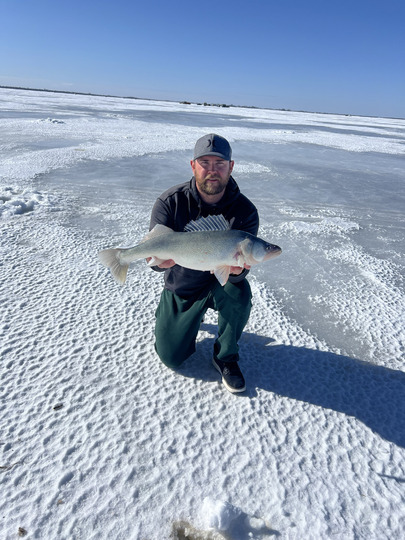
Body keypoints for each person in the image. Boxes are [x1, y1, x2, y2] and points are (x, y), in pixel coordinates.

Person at [148, 134, 259, 393]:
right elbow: (154, 253)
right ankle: (176, 319)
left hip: (219, 285)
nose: (212, 171)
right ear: (193, 165)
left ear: (231, 167)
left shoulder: (246, 212)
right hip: (182, 285)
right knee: (170, 357)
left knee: (239, 293)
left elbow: (239, 272)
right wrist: (156, 264)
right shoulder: (170, 202)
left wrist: (236, 273)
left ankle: (225, 356)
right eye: (205, 163)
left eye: (219, 163)